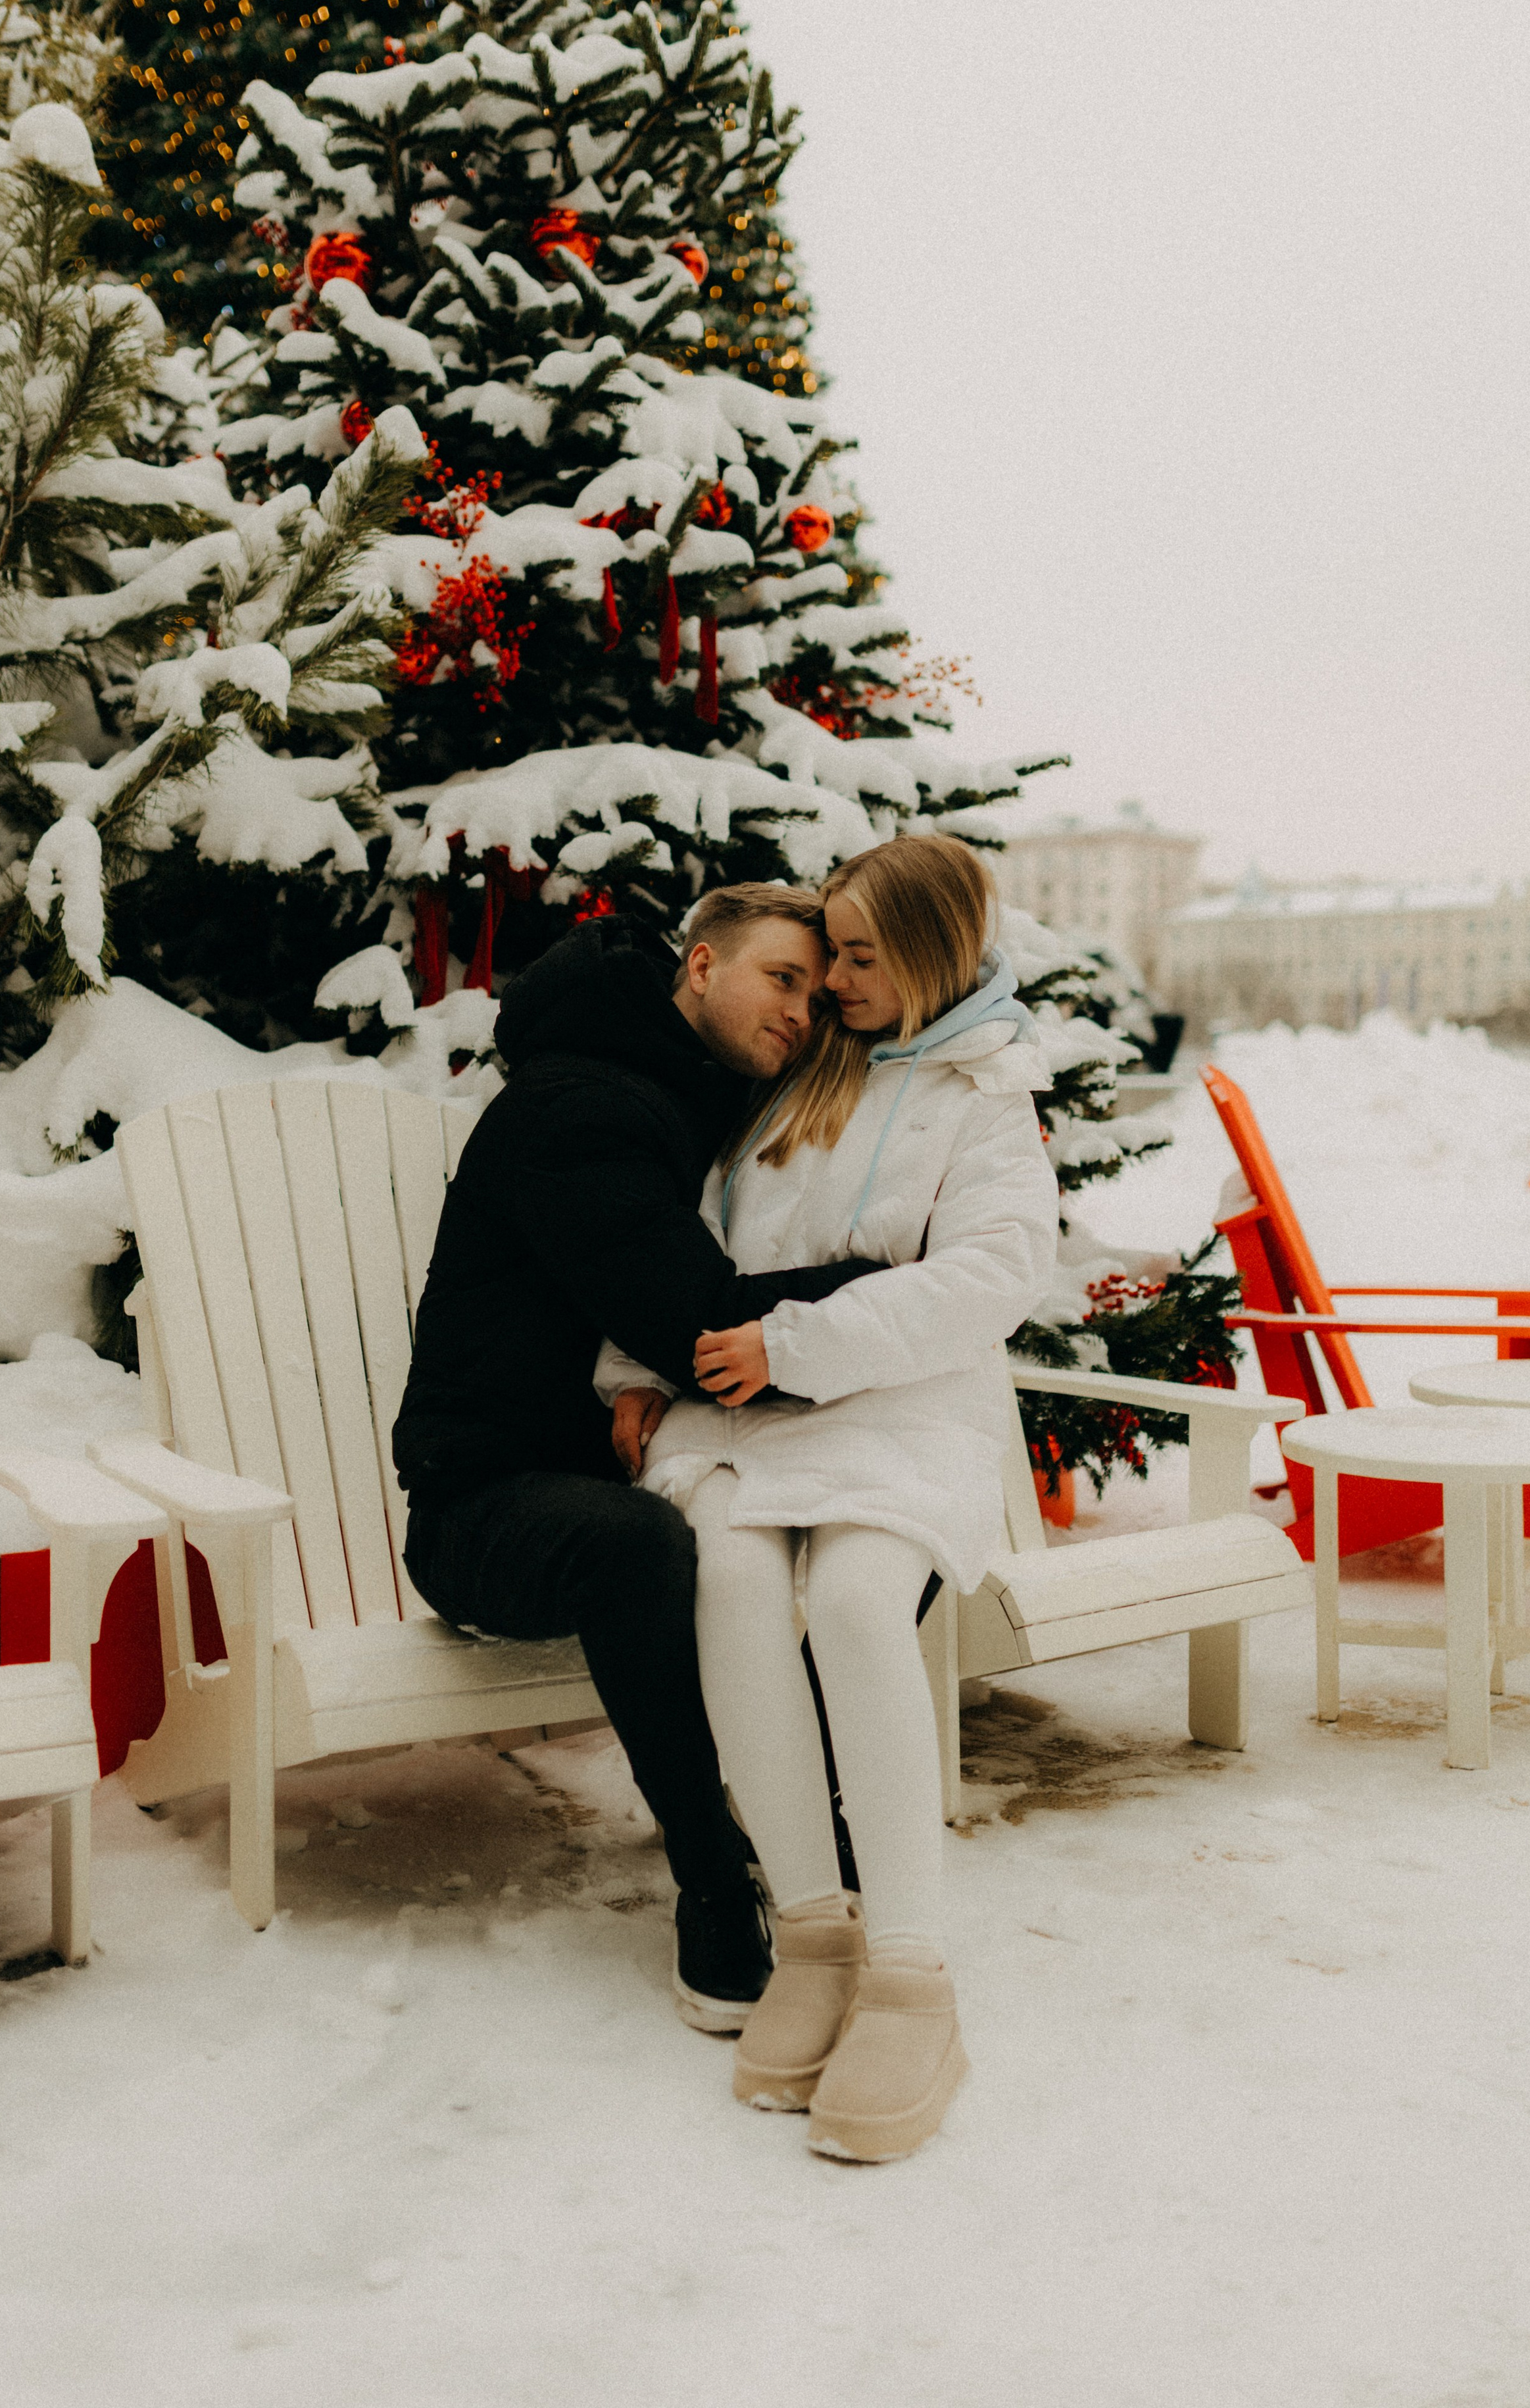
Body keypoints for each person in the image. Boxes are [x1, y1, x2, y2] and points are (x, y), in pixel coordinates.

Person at [600, 838, 1060, 2163]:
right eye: (829, 955)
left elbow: (990, 1274)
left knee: (858, 1604)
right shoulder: (805, 1070)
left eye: (860, 957)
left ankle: (909, 1977)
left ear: (930, 953)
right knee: (733, 1584)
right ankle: (813, 1932)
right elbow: (686, 1232)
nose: (834, 981)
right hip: (751, 1404)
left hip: (900, 1400)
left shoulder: (986, 1094)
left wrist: (798, 1346)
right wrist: (634, 1369)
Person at [392, 888, 888, 2032]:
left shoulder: (690, 1102)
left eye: (818, 997)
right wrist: (905, 1286)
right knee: (638, 1544)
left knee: (859, 1506)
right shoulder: (584, 1108)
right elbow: (698, 1320)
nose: (802, 1012)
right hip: (484, 1514)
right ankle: (713, 1884)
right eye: (782, 979)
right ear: (701, 966)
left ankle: (804, 1817)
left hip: (617, 1474)